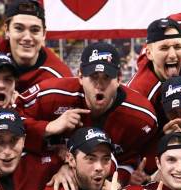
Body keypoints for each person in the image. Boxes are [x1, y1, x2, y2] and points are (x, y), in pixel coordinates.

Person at [20, 42, 157, 182]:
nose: (99, 85)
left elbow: (132, 161)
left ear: (119, 79)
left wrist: (119, 180)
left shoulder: (141, 116)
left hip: (106, 182)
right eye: (93, 76)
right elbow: (10, 120)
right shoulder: (52, 95)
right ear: (80, 77)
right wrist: (48, 127)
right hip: (52, 176)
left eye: (107, 77)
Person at [0, 0, 72, 94]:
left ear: (43, 34)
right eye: (19, 28)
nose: (27, 37)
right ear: (7, 30)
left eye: (34, 30)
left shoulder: (60, 77)